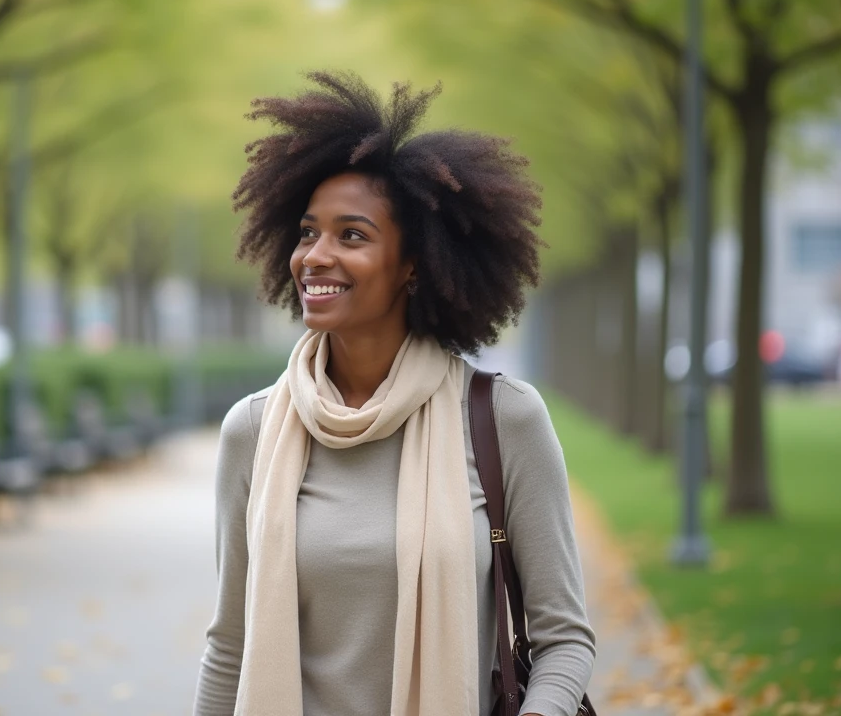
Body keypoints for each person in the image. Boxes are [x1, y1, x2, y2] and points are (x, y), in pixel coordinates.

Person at [194, 71, 595, 716]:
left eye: (351, 235)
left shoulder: (502, 419)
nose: (316, 255)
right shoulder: (253, 429)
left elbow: (564, 640)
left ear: (415, 265)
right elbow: (230, 648)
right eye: (306, 232)